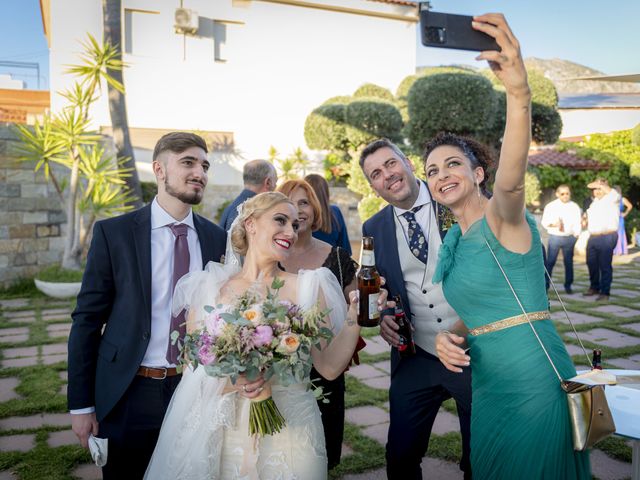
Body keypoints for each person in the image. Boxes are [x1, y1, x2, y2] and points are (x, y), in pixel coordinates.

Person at [429, 14, 590, 479]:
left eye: (453, 163)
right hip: (491, 388)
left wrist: (519, 95)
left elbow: (513, 180)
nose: (442, 175)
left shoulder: (503, 218)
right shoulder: (454, 242)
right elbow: (480, 310)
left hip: (534, 378)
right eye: (433, 170)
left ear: (478, 173)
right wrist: (450, 336)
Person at [144, 192, 391, 479]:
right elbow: (193, 368)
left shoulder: (309, 287)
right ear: (250, 223)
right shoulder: (211, 288)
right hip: (228, 429)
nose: (291, 232)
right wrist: (236, 379)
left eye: (295, 225)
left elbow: (329, 368)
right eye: (280, 220)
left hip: (293, 428)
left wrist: (354, 315)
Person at [67, 132, 228, 479]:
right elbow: (86, 321)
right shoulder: (115, 234)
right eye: (187, 162)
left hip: (196, 390)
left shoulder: (217, 239)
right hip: (129, 391)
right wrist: (81, 405)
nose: (199, 172)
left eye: (204, 165)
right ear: (159, 169)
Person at [360, 154, 471, 473]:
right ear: (373, 185)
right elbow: (380, 284)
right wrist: (384, 318)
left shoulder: (453, 198)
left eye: (391, 164)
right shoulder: (374, 227)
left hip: (473, 354)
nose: (388, 175)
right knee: (400, 455)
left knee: (480, 456)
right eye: (376, 174)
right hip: (416, 354)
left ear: (407, 162)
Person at [277, 179, 362, 470]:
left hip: (326, 369)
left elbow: (357, 303)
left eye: (304, 202)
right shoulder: (269, 259)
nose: (298, 210)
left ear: (315, 209)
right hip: (278, 372)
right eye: (290, 203)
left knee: (321, 454)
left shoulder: (336, 258)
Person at [583, 178, 620, 302]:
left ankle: (605, 292)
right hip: (593, 237)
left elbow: (611, 192)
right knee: (591, 263)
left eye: (600, 188)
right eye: (595, 189)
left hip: (607, 236)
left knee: (604, 265)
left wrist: (602, 185)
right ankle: (594, 287)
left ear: (605, 188)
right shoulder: (594, 203)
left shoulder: (612, 198)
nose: (597, 191)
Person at [541, 185, 582, 293]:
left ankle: (568, 286)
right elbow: (544, 222)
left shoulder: (574, 206)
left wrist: (576, 235)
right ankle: (545, 285)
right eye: (562, 193)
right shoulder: (551, 206)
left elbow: (578, 222)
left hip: (569, 238)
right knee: (550, 262)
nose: (565, 196)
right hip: (555, 237)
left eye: (567, 193)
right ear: (557, 194)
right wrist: (554, 224)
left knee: (568, 263)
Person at [219, 159, 278, 231]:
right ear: (268, 182)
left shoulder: (230, 208)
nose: (276, 186)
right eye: (275, 181)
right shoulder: (256, 212)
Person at [304, 173, 353, 255]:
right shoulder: (335, 212)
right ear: (325, 192)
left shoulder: (300, 216)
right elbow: (346, 250)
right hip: (332, 265)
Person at [613, 185, 633, 255]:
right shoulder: (611, 199)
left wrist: (625, 213)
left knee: (620, 233)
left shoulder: (622, 199)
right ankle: (613, 250)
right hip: (612, 218)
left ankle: (620, 250)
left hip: (620, 218)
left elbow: (630, 206)